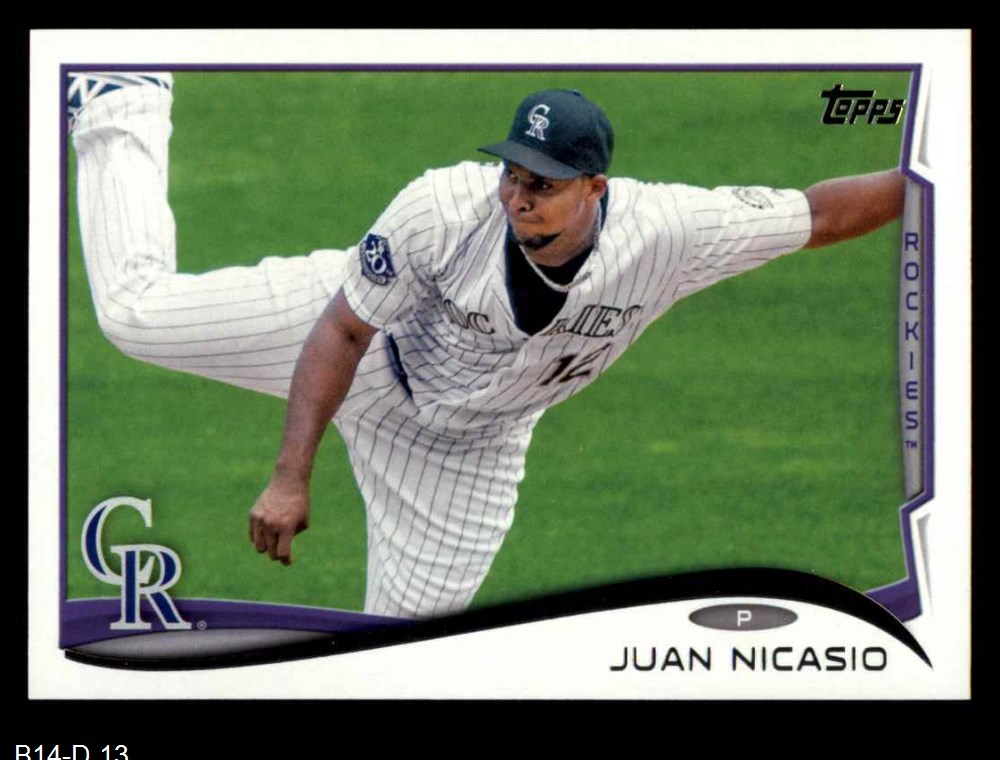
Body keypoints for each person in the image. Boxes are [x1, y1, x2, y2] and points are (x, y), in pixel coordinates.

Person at [70, 72, 906, 619]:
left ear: (595, 188)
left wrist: (930, 176)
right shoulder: (441, 209)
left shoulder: (670, 230)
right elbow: (344, 328)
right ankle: (122, 91)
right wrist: (291, 474)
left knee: (403, 664)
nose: (518, 196)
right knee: (135, 314)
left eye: (542, 184)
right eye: (511, 173)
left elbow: (819, 213)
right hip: (365, 344)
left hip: (466, 454)